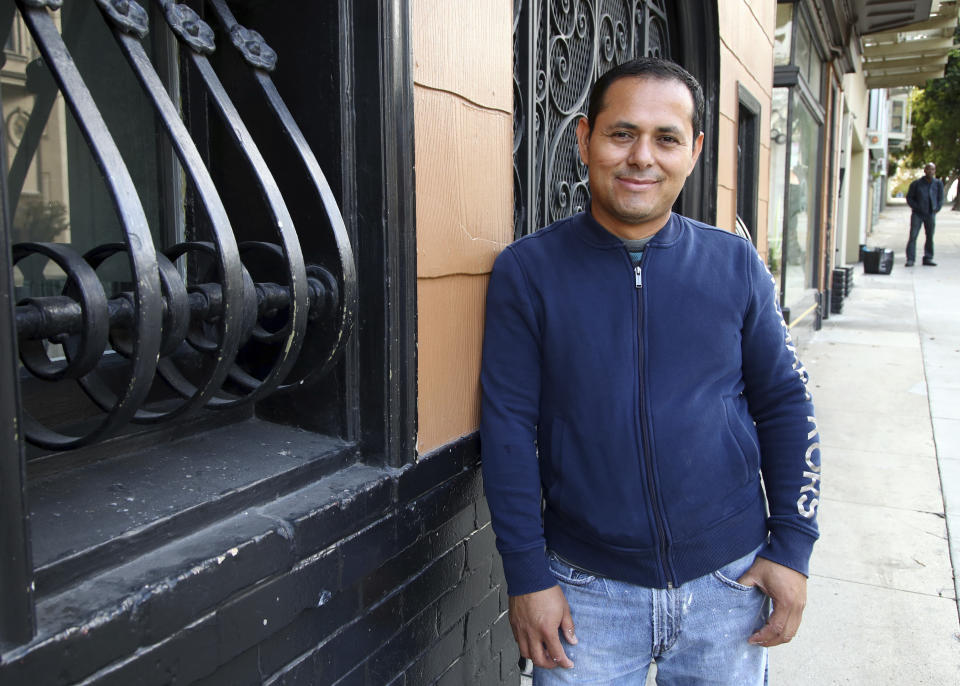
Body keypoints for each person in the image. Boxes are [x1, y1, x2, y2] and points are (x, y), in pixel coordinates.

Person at [480, 58, 820, 685]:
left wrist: (793, 547)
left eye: (666, 138)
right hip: (585, 595)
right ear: (585, 139)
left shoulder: (735, 265)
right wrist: (528, 575)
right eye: (621, 133)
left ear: (692, 152)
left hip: (730, 585)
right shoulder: (528, 273)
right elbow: (506, 431)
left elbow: (786, 405)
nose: (642, 156)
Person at [905, 162, 944, 266]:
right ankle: (910, 259)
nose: (930, 171)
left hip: (931, 214)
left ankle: (928, 258)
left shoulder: (938, 183)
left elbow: (940, 198)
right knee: (913, 236)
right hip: (917, 214)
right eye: (928, 169)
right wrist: (917, 207)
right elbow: (909, 198)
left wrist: (937, 208)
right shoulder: (916, 184)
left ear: (934, 171)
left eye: (932, 169)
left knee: (930, 236)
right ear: (925, 170)